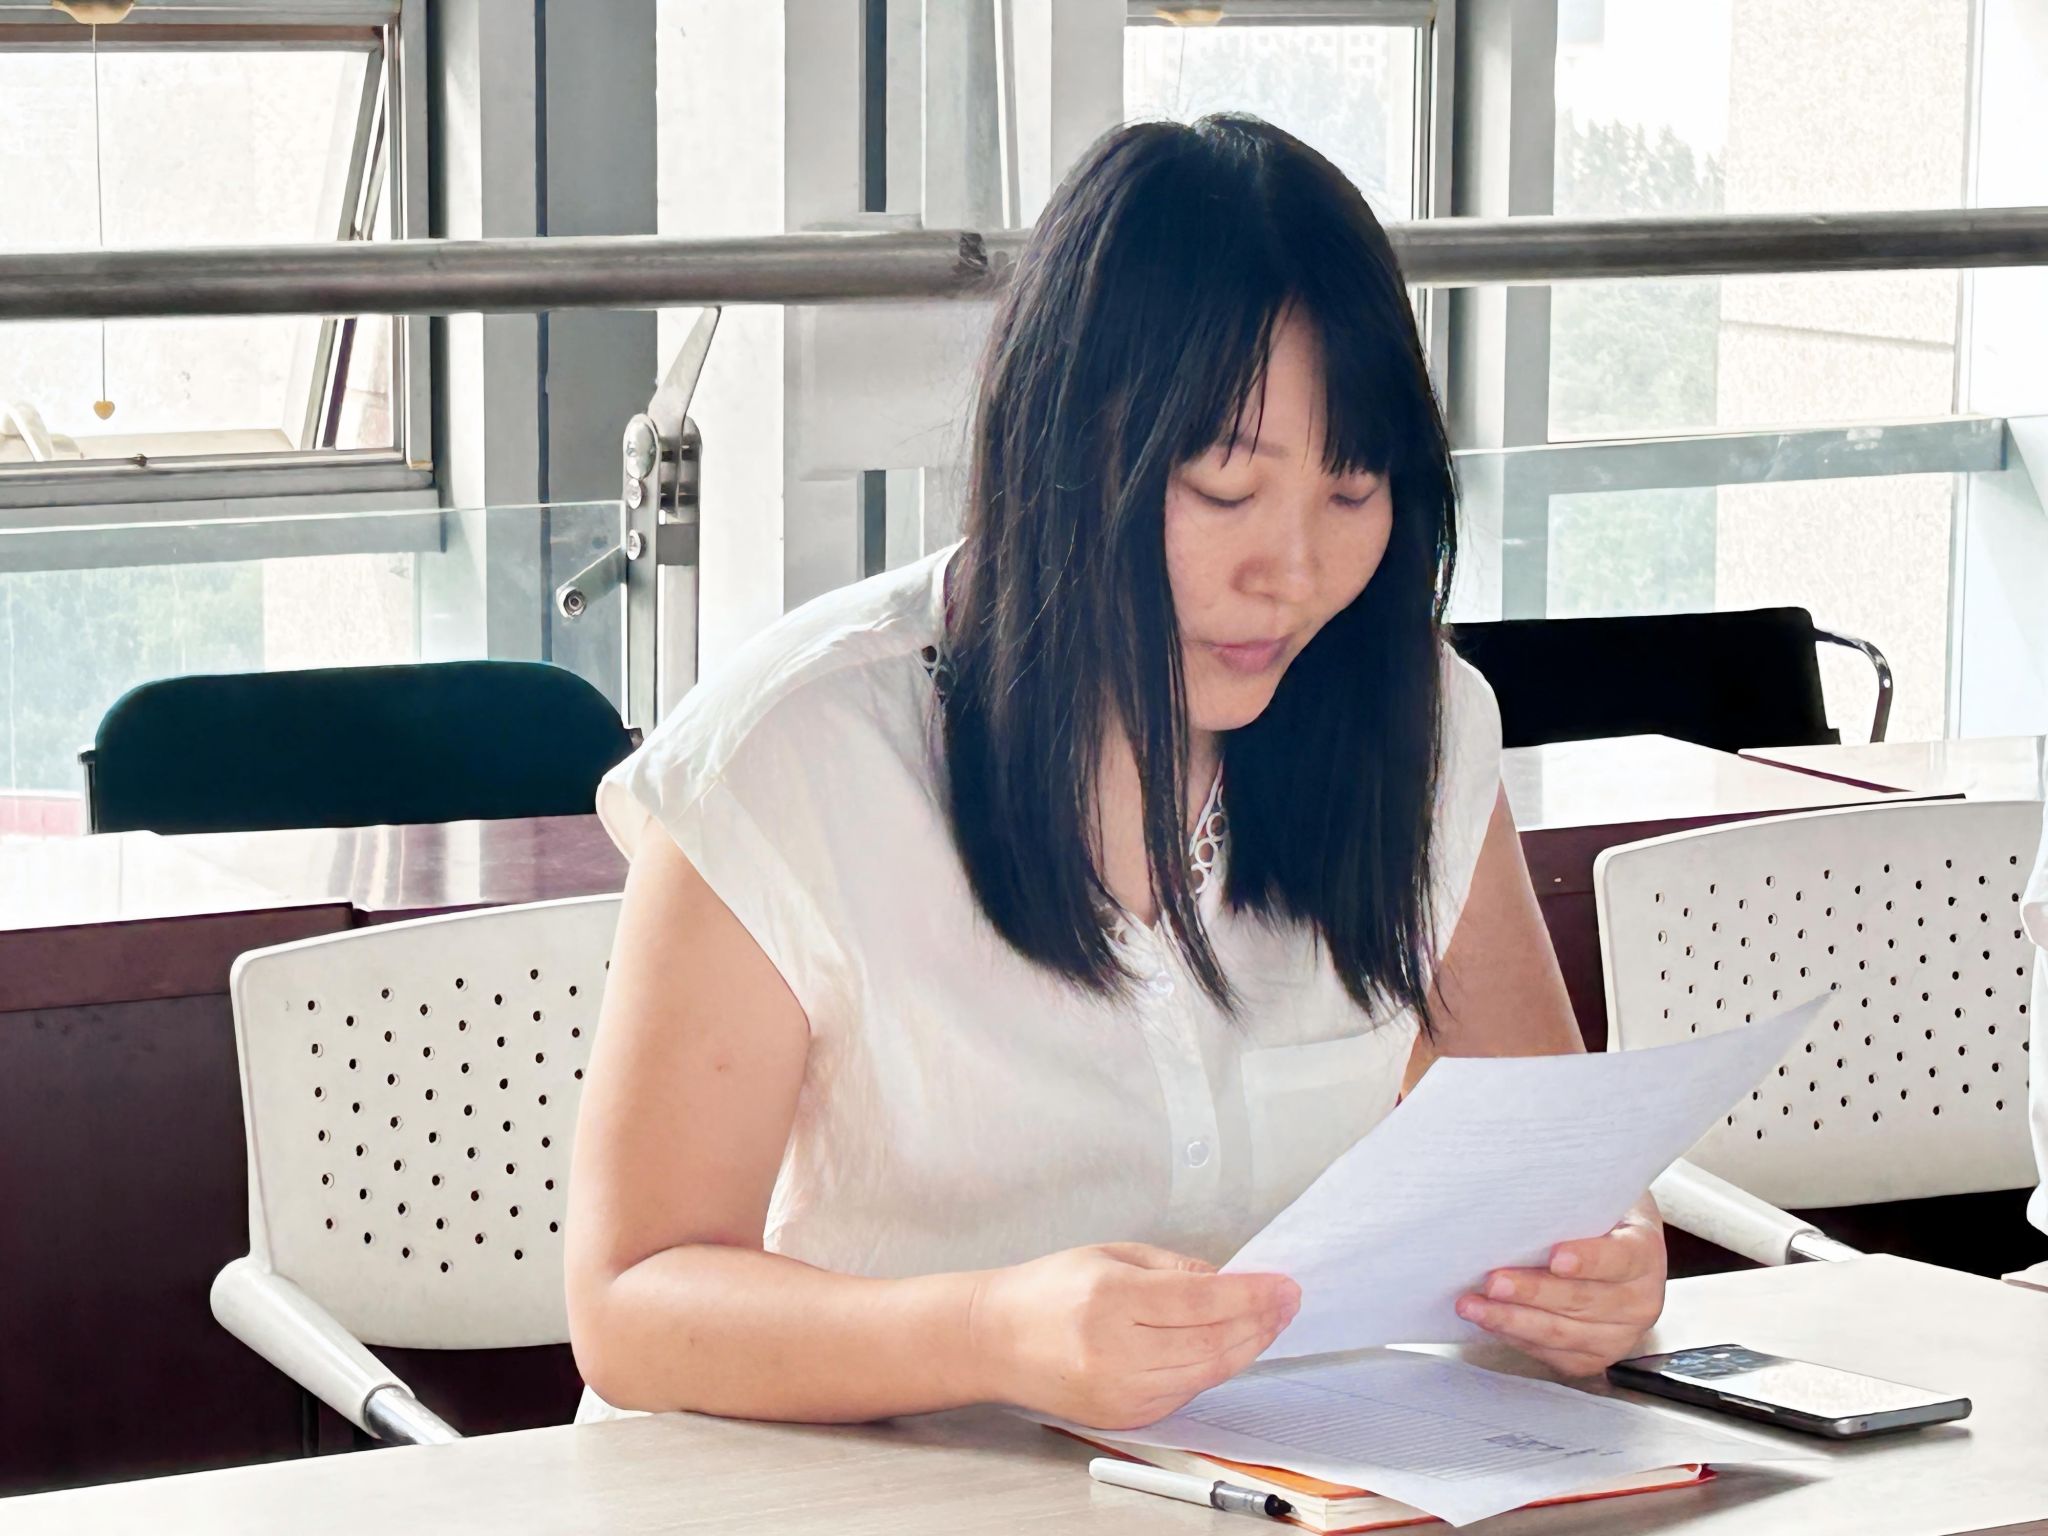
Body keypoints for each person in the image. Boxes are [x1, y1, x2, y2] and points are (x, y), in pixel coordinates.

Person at [564, 113, 1666, 1432]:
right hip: (865, 1491)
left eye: (1352, 491)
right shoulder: (796, 751)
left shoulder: (1412, 721)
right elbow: (631, 1302)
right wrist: (990, 1332)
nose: (1293, 573)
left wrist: (1601, 1266)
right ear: (1066, 453)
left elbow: (1554, 1167)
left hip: (1274, 1481)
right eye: (1224, 490)